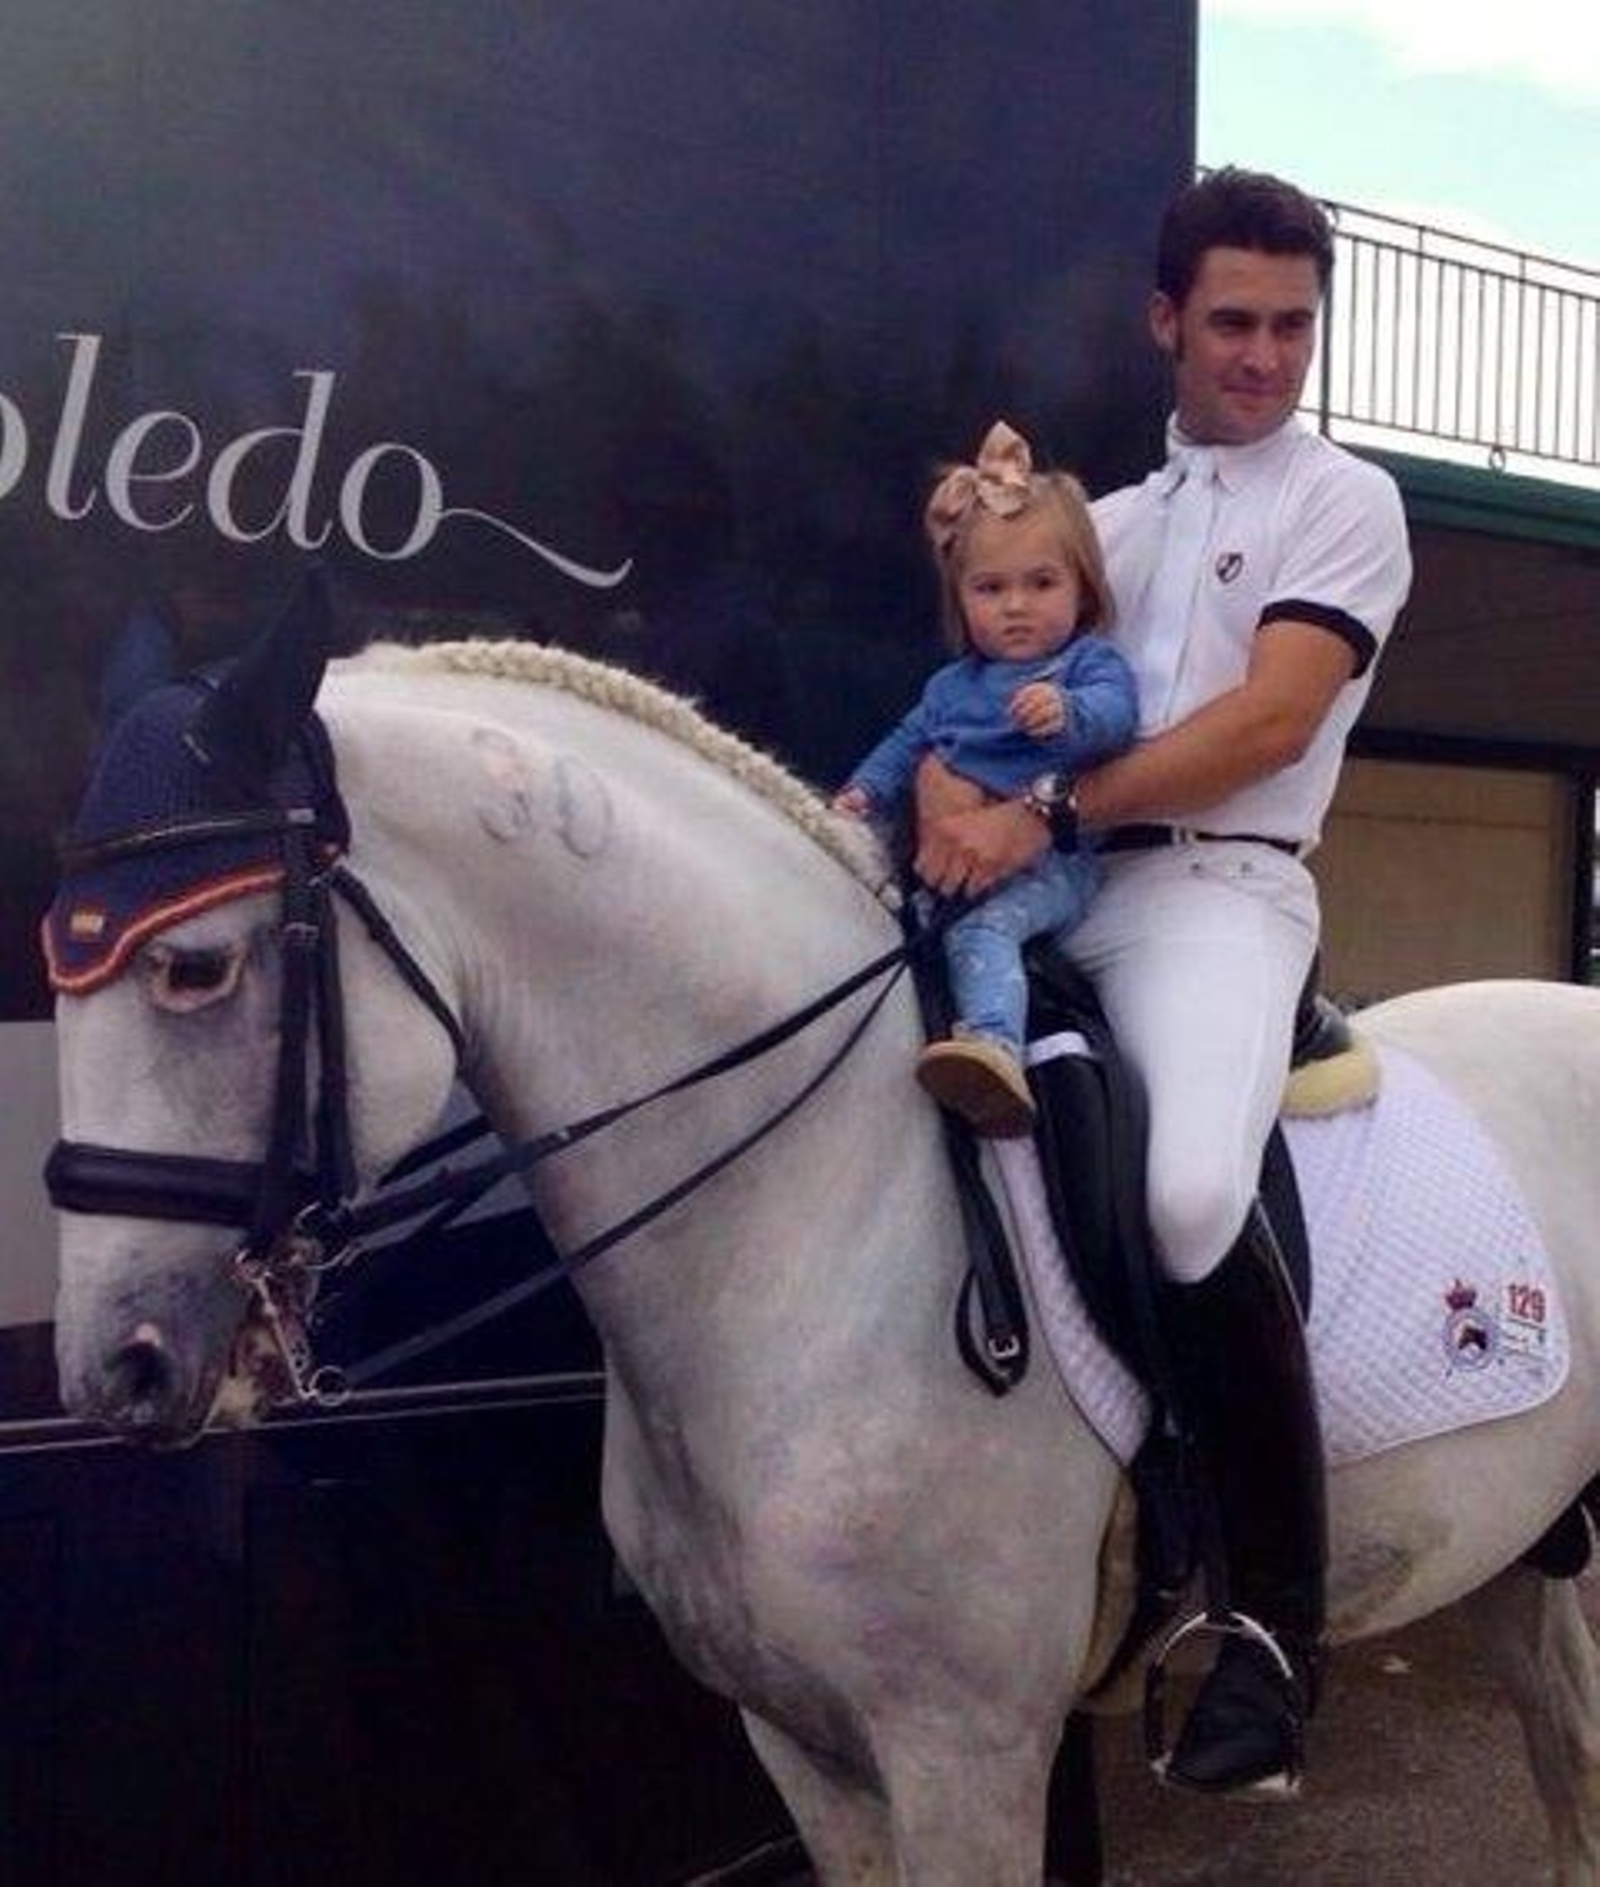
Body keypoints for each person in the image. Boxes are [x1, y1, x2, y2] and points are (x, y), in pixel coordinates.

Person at [915, 169, 1413, 1796]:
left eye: (1293, 326)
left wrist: (1047, 807)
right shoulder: (1103, 530)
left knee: (1194, 1192)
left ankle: (1275, 1626)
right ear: (1164, 322)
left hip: (1218, 893)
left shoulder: (1346, 501)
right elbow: (983, 693)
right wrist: (940, 798)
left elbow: (1272, 719)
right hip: (1054, 891)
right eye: (1233, 322)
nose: (1265, 356)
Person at [834, 420, 1137, 1136]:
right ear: (961, 598)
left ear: (1083, 588)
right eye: (991, 587)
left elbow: (1118, 718)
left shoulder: (1085, 665)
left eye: (1042, 583)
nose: (1016, 605)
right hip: (947, 863)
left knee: (985, 930)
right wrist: (861, 795)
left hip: (1051, 866)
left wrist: (1067, 714)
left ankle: (993, 1047)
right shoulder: (950, 686)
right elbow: (904, 745)